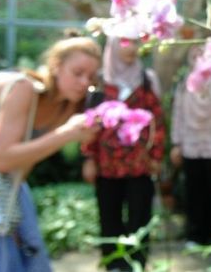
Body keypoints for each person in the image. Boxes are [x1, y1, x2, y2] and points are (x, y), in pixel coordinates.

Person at [0, 34, 102, 272]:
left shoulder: (66, 106)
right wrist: (65, 134)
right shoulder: (23, 88)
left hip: (1, 179)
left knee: (24, 240)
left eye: (91, 77)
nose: (85, 82)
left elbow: (22, 164)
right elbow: (3, 159)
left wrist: (7, 207)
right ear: (56, 66)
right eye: (78, 73)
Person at [81, 37, 166, 271]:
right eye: (124, 42)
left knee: (140, 217)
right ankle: (113, 264)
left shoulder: (147, 80)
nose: (131, 48)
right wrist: (89, 158)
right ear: (114, 46)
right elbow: (89, 123)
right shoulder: (99, 82)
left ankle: (137, 263)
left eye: (135, 42)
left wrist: (156, 156)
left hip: (140, 164)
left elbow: (157, 121)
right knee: (109, 218)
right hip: (106, 166)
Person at [170, 47, 211, 246]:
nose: (198, 59)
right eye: (194, 55)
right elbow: (178, 116)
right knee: (193, 193)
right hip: (190, 148)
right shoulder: (184, 86)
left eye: (202, 55)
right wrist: (176, 144)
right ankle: (195, 235)